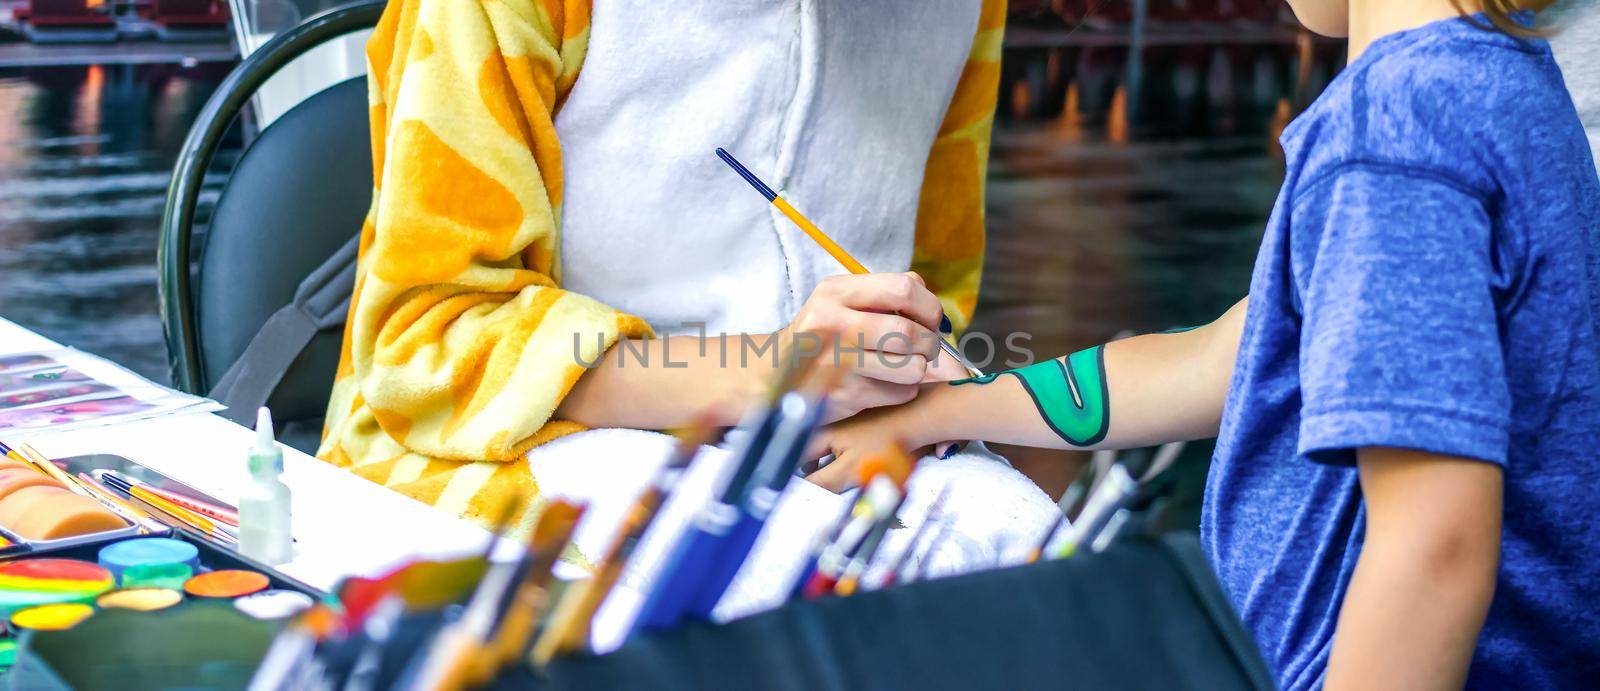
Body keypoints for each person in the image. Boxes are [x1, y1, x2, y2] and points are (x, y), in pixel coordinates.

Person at [809, 0, 1600, 687]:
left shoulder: (1395, 139)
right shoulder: (1504, 81)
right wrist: (936, 412)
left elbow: (1436, 547)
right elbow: (1230, 358)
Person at [316, 0, 1057, 555]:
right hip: (493, 437)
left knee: (1025, 551)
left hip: (829, 432)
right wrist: (765, 376)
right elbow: (425, 339)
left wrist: (908, 379)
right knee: (772, 581)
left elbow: (935, 280)